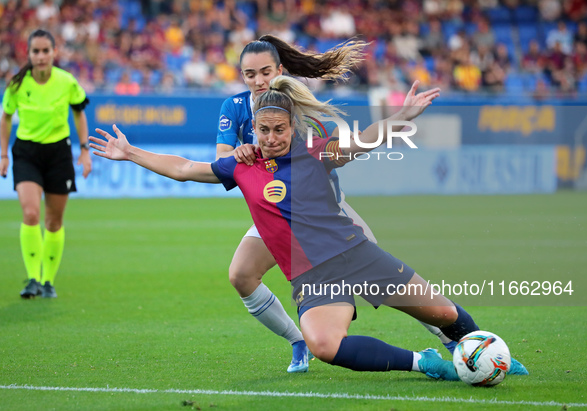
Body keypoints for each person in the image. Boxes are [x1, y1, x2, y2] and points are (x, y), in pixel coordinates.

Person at [89, 76, 528, 378]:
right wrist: (132, 153)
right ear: (254, 129)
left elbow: (362, 141)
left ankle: (493, 353)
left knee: (446, 314)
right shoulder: (241, 167)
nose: (272, 137)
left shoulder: (315, 152)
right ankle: (425, 362)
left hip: (357, 254)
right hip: (312, 275)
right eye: (264, 130)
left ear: (291, 127)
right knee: (324, 346)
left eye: (279, 129)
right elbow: (186, 167)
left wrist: (403, 117)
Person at [216, 35, 454, 373]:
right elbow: (222, 158)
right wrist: (240, 151)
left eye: (265, 72)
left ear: (280, 70)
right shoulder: (234, 108)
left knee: (385, 280)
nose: (258, 81)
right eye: (249, 74)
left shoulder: (297, 106)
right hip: (278, 214)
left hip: (325, 213)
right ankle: (298, 341)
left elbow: (324, 153)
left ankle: (448, 334)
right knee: (241, 274)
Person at [0, 29, 92, 299]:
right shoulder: (17, 84)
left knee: (53, 221)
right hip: (27, 152)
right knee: (30, 214)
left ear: (54, 53)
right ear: (28, 54)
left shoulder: (67, 82)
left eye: (45, 51)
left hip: (58, 154)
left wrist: (85, 150)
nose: (40, 56)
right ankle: (32, 278)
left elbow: (79, 113)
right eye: (35, 51)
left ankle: (48, 281)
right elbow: (5, 118)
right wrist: (3, 154)